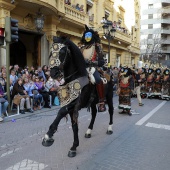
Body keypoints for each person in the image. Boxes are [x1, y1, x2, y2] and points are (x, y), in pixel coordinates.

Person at [81, 25, 106, 112]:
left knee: (98, 80)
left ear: (92, 36)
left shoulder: (97, 47)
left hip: (93, 69)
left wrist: (91, 62)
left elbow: (101, 61)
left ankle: (101, 102)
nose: (87, 37)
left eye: (89, 35)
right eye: (86, 35)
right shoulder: (82, 48)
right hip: (83, 69)